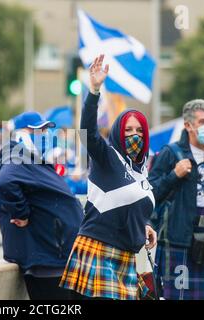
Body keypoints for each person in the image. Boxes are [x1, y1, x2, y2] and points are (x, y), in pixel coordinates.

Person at [59, 55, 157, 300]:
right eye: (127, 130)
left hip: (126, 257)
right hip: (99, 250)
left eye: (138, 131)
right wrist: (94, 91)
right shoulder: (107, 155)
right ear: (117, 132)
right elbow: (88, 133)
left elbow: (129, 205)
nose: (134, 135)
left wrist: (144, 225)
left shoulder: (142, 169)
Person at [0, 111, 84, 300]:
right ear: (22, 132)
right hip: (46, 257)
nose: (44, 134)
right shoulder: (15, 154)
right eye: (39, 130)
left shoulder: (30, 157)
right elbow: (5, 182)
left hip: (53, 253)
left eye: (44, 130)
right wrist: (22, 214)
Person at [149, 99, 204, 300]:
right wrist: (174, 175)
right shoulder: (171, 153)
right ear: (188, 125)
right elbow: (151, 193)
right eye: (203, 121)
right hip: (180, 239)